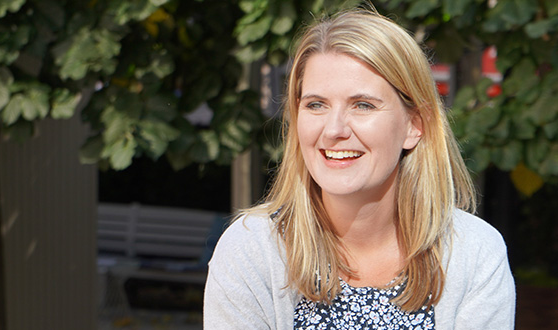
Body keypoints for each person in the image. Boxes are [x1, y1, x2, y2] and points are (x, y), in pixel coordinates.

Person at [203, 9, 516, 330]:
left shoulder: (473, 252)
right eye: (316, 104)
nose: (334, 129)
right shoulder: (252, 251)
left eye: (362, 105)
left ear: (414, 125)